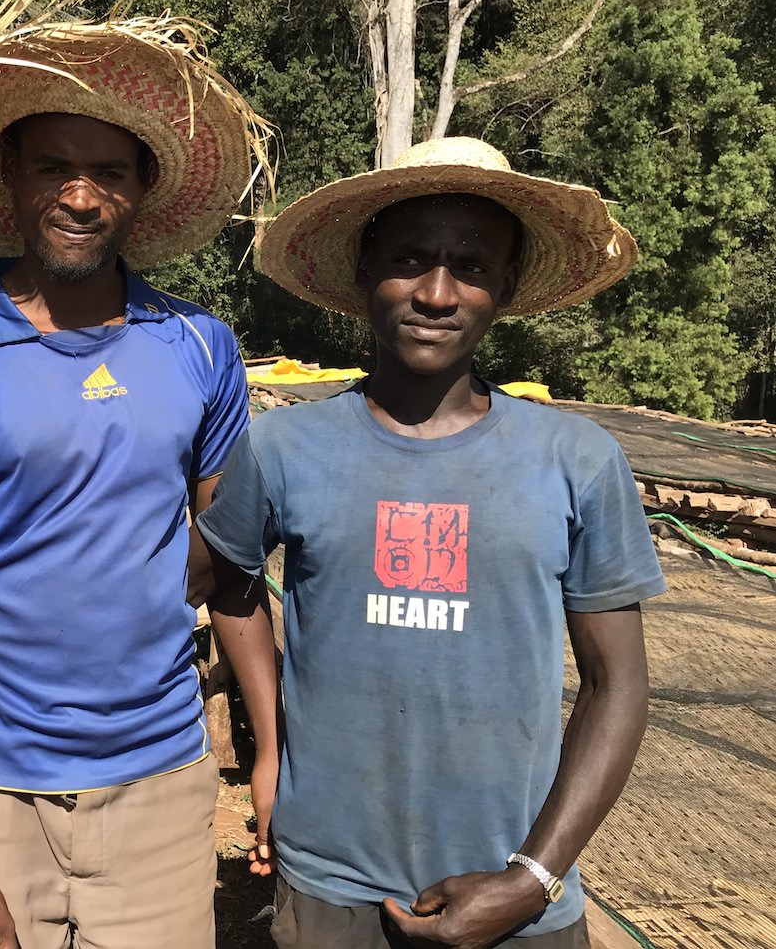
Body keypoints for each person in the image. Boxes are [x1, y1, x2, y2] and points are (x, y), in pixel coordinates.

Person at [195, 136, 666, 948]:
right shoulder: (283, 449)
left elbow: (614, 686)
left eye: (472, 266)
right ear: (362, 272)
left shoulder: (577, 460)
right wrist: (270, 745)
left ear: (505, 286)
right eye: (410, 259)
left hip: (515, 897)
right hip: (329, 886)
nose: (437, 292)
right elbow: (222, 576)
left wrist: (532, 877)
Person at [0, 21, 274, 948]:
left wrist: (269, 752)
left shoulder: (198, 349)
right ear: (10, 176)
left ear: (142, 193)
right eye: (54, 165)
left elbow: (230, 568)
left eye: (111, 172)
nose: (82, 195)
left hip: (159, 786)